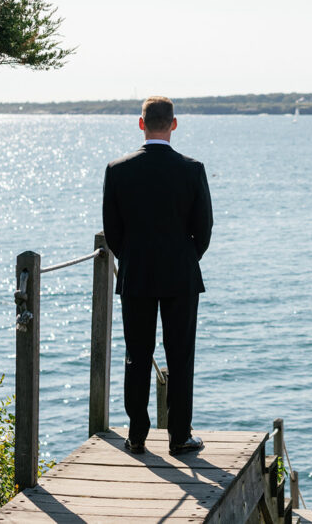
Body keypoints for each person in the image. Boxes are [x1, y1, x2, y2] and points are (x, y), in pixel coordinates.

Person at [102, 96, 213, 455]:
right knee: (180, 355)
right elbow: (204, 227)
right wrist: (184, 258)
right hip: (181, 275)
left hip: (136, 275)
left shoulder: (117, 169)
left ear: (141, 123)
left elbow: (112, 230)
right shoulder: (192, 169)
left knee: (137, 354)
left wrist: (133, 258)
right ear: (174, 124)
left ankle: (136, 435)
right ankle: (179, 436)